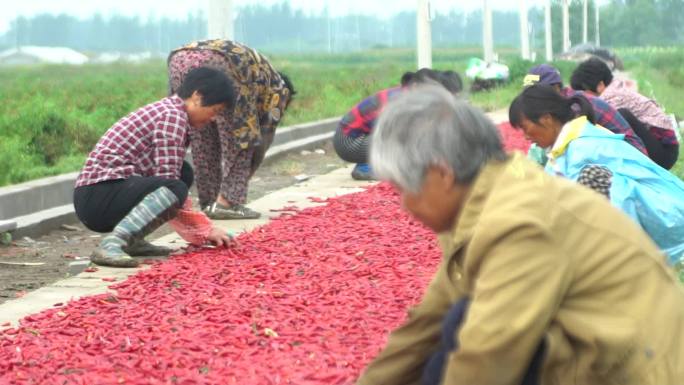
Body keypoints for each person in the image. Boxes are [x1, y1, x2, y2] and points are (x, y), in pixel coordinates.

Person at [356, 84, 684, 385]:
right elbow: (427, 323)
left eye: (404, 189)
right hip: (602, 353)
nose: (406, 207)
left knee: (477, 331)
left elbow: (487, 359)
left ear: (441, 175)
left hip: (640, 372)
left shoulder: (517, 222)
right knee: (458, 318)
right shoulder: (486, 200)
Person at [73, 67, 235, 268]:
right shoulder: (172, 116)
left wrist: (201, 229)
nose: (213, 119)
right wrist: (205, 229)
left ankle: (132, 241)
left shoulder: (169, 111)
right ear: (197, 96)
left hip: (102, 194)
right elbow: (168, 184)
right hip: (98, 195)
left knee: (183, 173)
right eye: (215, 111)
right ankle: (113, 243)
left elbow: (168, 179)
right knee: (175, 186)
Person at [510, 84, 684, 262]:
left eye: (525, 128)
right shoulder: (570, 142)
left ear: (546, 119)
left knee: (587, 185)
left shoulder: (583, 148)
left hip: (666, 218)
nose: (526, 137)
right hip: (656, 214)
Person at [168, 40, 296, 220]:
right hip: (225, 64)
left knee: (202, 133)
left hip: (179, 60)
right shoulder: (280, 89)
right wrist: (242, 177)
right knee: (243, 138)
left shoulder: (261, 73)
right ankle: (227, 203)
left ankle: (209, 202)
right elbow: (260, 138)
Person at [333, 68, 462, 180]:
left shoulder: (409, 96)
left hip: (361, 138)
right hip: (348, 141)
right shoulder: (401, 100)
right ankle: (365, 167)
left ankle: (372, 163)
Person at [522, 64, 646, 165]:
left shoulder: (574, 108)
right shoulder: (558, 105)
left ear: (556, 88)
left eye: (538, 93)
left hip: (631, 160)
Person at [571, 57, 680, 169]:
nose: (584, 97)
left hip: (664, 152)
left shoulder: (612, 97)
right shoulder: (614, 88)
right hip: (658, 145)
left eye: (584, 92)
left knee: (618, 116)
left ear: (600, 85)